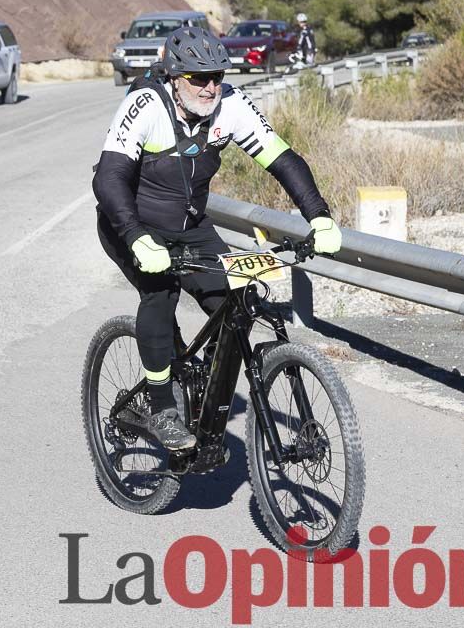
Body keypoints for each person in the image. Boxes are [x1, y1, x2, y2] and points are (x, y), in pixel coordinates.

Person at [92, 26, 343, 451]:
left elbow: (281, 158)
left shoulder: (229, 105)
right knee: (160, 294)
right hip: (132, 224)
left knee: (237, 302)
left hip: (190, 227)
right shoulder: (146, 105)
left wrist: (318, 216)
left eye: (217, 76)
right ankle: (161, 408)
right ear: (175, 77)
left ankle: (201, 391)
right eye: (198, 78)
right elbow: (109, 177)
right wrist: (135, 237)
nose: (210, 87)